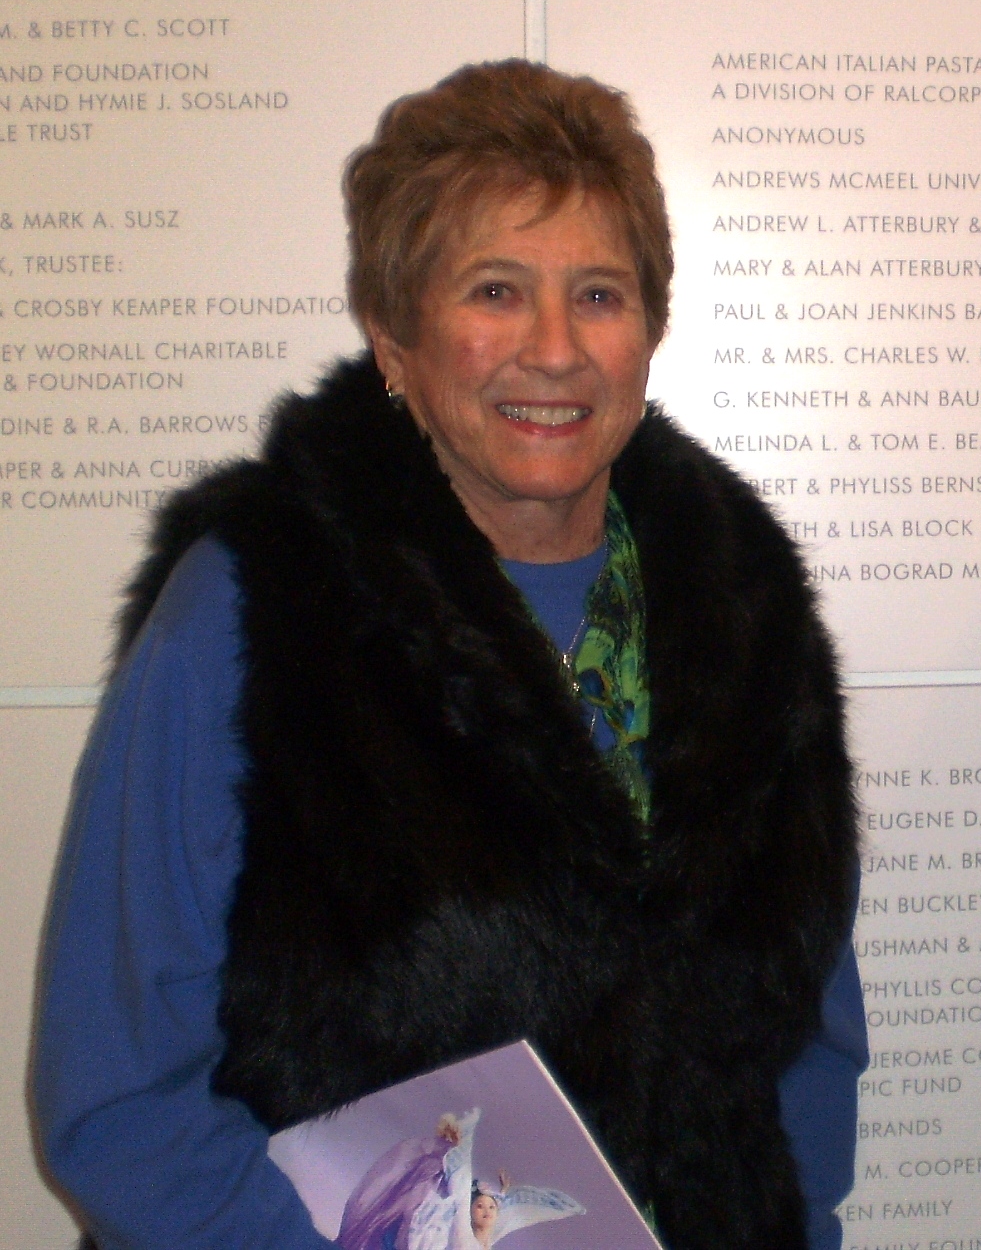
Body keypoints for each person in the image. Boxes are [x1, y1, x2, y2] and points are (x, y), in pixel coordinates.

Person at [34, 60, 866, 1249]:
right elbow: (119, 1103)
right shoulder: (255, 607)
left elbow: (810, 1036)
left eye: (598, 293)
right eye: (495, 290)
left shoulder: (745, 610)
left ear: (651, 331)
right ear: (394, 339)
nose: (554, 348)